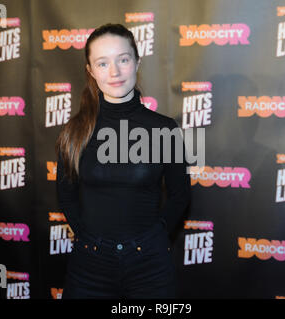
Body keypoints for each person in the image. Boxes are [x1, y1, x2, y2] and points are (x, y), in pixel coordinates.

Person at [55, 23, 191, 299]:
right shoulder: (75, 129)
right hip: (89, 266)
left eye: (123, 60)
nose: (114, 72)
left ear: (137, 62)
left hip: (150, 266)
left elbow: (180, 194)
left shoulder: (165, 128)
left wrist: (155, 238)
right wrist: (88, 239)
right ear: (91, 71)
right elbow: (65, 194)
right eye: (102, 63)